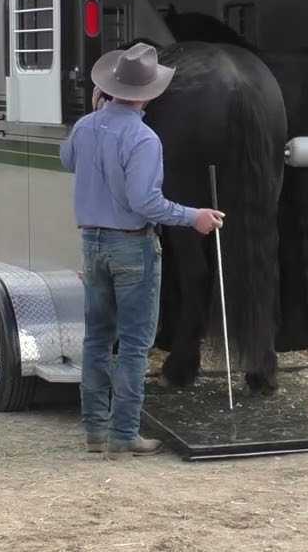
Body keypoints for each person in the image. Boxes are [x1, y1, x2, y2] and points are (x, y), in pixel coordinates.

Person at [60, 42, 225, 460]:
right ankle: (124, 435)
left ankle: (94, 430)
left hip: (91, 242)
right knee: (134, 344)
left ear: (109, 88)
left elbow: (67, 160)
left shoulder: (86, 126)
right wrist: (194, 216)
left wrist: (93, 113)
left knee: (98, 339)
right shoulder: (144, 138)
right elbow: (145, 202)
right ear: (148, 95)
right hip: (132, 245)